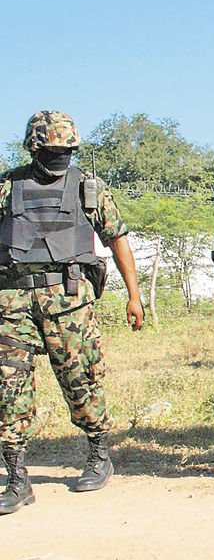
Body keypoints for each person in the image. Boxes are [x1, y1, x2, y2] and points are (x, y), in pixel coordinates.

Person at [0, 111, 145, 514]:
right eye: (51, 151)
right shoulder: (7, 186)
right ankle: (16, 477)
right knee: (7, 389)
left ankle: (99, 454)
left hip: (69, 302)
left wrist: (134, 296)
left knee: (82, 381)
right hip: (11, 303)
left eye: (67, 151)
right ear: (33, 147)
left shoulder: (88, 188)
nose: (60, 158)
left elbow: (117, 240)